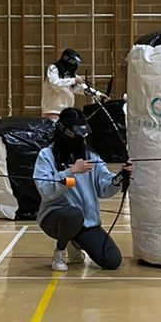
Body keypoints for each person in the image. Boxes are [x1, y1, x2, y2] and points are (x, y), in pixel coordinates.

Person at [33, 108, 128, 272]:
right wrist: (71, 171)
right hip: (55, 217)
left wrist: (120, 177)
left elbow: (104, 187)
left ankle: (75, 240)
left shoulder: (90, 156)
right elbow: (45, 190)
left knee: (112, 260)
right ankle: (60, 251)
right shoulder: (46, 155)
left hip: (87, 221)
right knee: (73, 214)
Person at [41, 47, 97, 119]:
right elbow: (55, 83)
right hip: (52, 112)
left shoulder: (70, 75)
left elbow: (82, 88)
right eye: (74, 62)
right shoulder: (53, 69)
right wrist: (74, 80)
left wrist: (98, 94)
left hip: (66, 113)